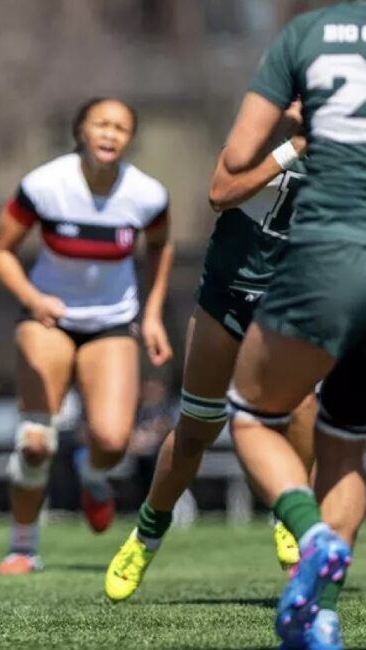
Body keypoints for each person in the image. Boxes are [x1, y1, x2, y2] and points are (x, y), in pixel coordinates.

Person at [103, 102, 317, 603]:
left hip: (292, 298)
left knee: (302, 408)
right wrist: (294, 146)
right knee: (197, 429)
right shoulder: (263, 125)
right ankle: (147, 533)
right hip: (228, 292)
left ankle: (292, 513)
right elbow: (221, 192)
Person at [220, 5, 366, 648]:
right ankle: (321, 619)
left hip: (331, 255)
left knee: (251, 413)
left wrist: (301, 124)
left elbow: (236, 161)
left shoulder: (308, 34)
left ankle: (311, 538)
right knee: (346, 438)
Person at [0, 97, 174, 575]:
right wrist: (33, 300)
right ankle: (23, 546)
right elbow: (0, 248)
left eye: (121, 127)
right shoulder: (45, 185)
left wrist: (151, 315)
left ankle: (92, 472)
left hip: (111, 322)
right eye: (101, 124)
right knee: (35, 439)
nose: (110, 134)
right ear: (81, 131)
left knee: (113, 440)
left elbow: (161, 246)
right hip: (49, 319)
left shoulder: (147, 194)